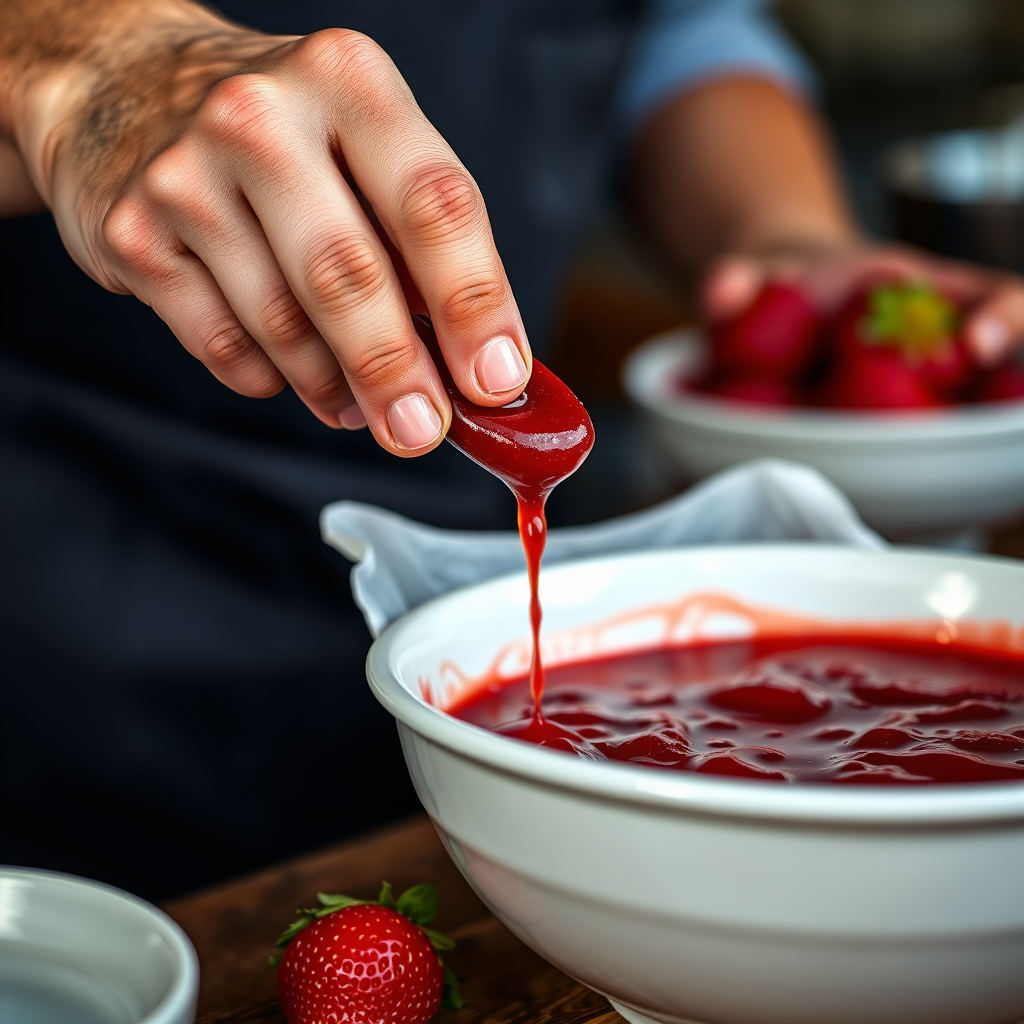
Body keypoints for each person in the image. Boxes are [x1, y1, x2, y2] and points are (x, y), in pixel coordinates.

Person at [2, 0, 1023, 900]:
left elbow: (675, 32)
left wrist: (787, 243)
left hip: (480, 617)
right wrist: (81, 51)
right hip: (64, 631)